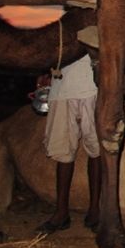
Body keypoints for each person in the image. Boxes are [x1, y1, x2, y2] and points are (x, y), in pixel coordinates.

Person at [35, 53, 101, 234]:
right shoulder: (60, 23)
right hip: (62, 83)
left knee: (97, 148)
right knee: (63, 148)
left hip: (95, 82)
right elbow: (54, 43)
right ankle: (61, 213)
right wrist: (44, 71)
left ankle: (95, 210)